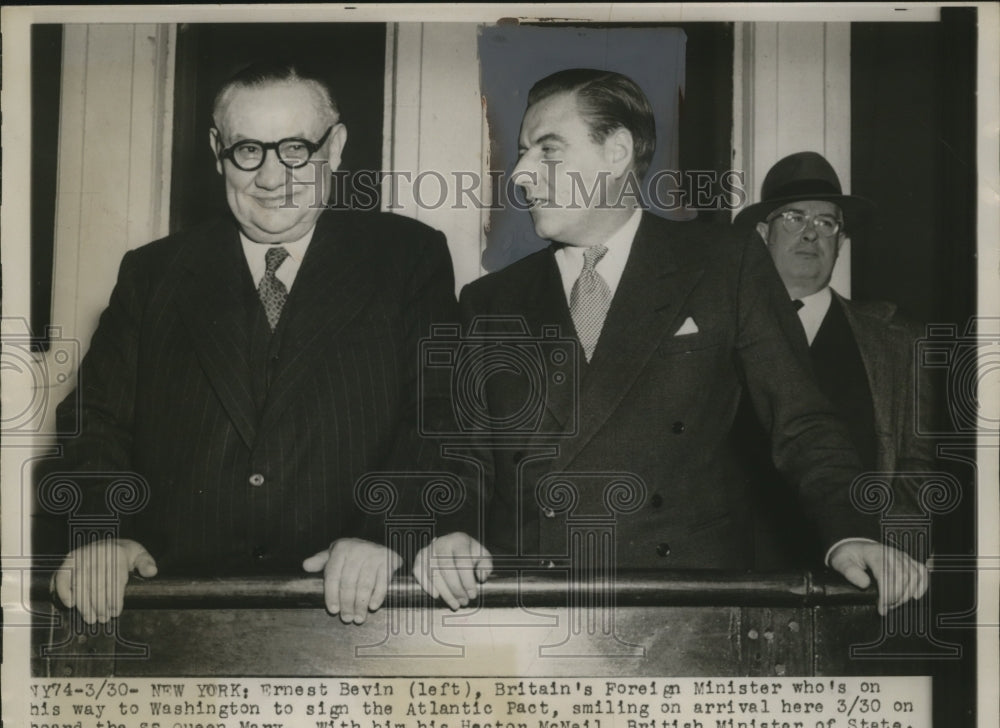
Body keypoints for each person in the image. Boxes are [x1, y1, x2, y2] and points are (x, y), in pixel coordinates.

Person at [417, 68, 926, 614]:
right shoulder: (490, 299)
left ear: (616, 152)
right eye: (522, 153)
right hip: (532, 603)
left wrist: (852, 532)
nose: (520, 174)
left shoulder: (721, 263)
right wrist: (451, 531)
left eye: (547, 150)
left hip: (684, 602)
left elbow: (802, 424)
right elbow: (463, 456)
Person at [39, 61, 467, 626]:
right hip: (174, 603)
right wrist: (101, 534)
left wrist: (387, 534)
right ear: (218, 148)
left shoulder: (408, 257)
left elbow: (441, 418)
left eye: (295, 149)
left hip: (351, 602)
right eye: (247, 151)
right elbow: (94, 424)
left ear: (334, 147)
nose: (271, 178)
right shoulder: (153, 273)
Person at [732, 152, 936, 568]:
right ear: (761, 234)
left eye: (826, 223)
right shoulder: (719, 334)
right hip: (740, 578)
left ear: (840, 243)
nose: (810, 235)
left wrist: (889, 558)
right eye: (793, 218)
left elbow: (920, 469)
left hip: (861, 580)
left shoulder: (898, 340)